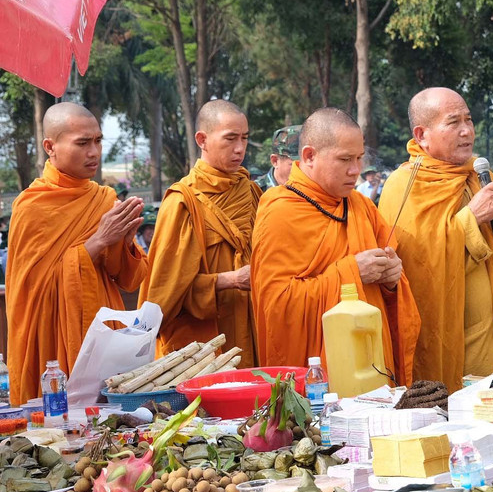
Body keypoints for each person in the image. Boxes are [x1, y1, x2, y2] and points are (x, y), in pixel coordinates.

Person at [251, 108, 420, 384]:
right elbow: (277, 307)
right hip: (320, 380)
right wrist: (353, 272)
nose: (355, 171)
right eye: (344, 159)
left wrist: (391, 279)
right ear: (308, 156)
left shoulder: (360, 205)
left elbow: (386, 291)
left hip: (373, 365)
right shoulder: (280, 212)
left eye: (358, 158)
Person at [379, 87, 493, 391]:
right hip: (451, 335)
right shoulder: (405, 185)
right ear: (422, 134)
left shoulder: (481, 175)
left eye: (469, 120)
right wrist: (470, 218)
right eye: (453, 122)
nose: (466, 131)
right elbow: (416, 267)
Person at [6, 102, 149, 403]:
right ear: (50, 146)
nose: (94, 152)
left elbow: (128, 279)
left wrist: (123, 241)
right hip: (50, 340)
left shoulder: (103, 200)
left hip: (101, 332)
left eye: (97, 141)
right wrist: (98, 242)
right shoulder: (32, 207)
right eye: (82, 143)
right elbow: (30, 292)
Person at [139, 100, 261, 368]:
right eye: (230, 139)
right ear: (202, 139)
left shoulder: (251, 193)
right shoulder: (182, 201)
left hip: (254, 333)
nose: (240, 148)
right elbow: (165, 294)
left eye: (244, 138)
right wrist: (227, 280)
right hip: (203, 349)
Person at [256, 125, 301, 192]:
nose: (302, 170)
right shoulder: (255, 192)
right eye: (295, 164)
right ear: (275, 161)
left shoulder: (314, 191)